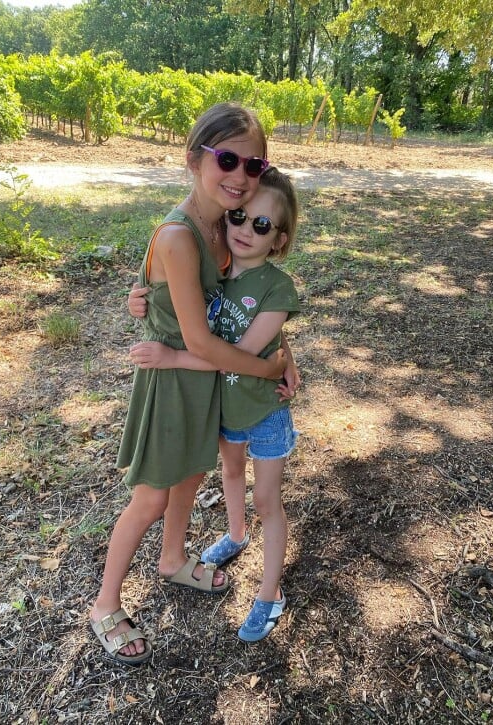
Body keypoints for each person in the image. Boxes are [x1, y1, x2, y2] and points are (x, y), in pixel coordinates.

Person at [90, 103, 293, 666]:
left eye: (254, 165)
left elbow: (248, 298)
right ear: (193, 159)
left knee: (190, 478)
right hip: (176, 380)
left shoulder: (228, 226)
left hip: (206, 383)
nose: (241, 175)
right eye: (227, 158)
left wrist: (286, 349)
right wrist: (267, 369)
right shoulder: (181, 234)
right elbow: (201, 342)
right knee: (152, 495)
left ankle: (173, 559)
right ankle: (104, 603)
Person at [129, 167, 300, 642]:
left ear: (279, 239)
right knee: (228, 475)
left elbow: (243, 356)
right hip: (225, 411)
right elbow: (179, 294)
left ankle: (270, 593)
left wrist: (173, 356)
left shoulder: (278, 288)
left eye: (261, 226)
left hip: (264, 411)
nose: (246, 230)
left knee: (268, 501)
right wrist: (141, 298)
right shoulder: (219, 269)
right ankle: (236, 535)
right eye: (240, 217)